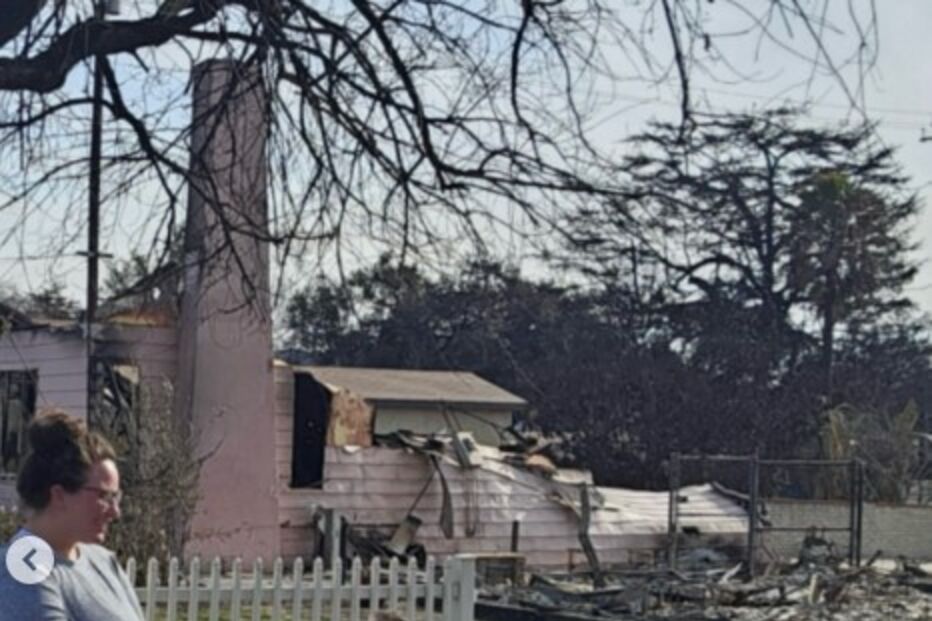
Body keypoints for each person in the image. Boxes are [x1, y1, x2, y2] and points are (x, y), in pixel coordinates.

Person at [0, 410, 143, 620]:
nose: (115, 511)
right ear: (59, 495)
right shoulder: (23, 569)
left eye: (116, 497)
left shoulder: (102, 561)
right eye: (103, 496)